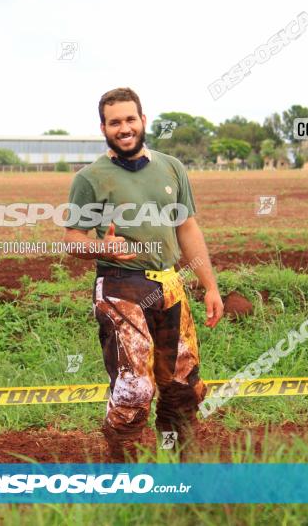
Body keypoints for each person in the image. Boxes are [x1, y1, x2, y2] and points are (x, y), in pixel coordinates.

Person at [63, 87, 224, 461]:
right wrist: (100, 247)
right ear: (103, 127)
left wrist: (210, 286)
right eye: (114, 122)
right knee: (135, 388)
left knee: (182, 385)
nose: (124, 128)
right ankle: (124, 472)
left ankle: (183, 469)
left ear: (143, 120)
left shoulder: (171, 168)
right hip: (120, 287)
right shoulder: (89, 178)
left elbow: (187, 229)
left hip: (169, 284)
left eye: (130, 119)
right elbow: (72, 238)